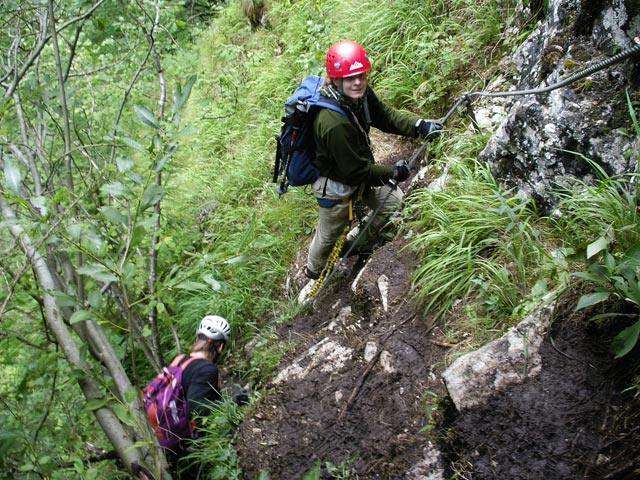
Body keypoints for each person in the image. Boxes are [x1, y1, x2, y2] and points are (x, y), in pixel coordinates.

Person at [304, 39, 442, 281]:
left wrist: (418, 126)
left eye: (361, 75)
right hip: (334, 186)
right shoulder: (331, 122)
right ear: (336, 80)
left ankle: (353, 243)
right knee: (328, 234)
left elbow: (384, 116)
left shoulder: (360, 96)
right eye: (349, 78)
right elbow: (355, 171)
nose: (357, 82)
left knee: (392, 203)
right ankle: (313, 270)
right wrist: (392, 173)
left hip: (356, 171)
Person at [168, 314, 231, 479]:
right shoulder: (207, 369)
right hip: (190, 449)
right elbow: (194, 408)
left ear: (197, 337)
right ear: (220, 347)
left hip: (168, 439)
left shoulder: (179, 360)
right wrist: (231, 403)